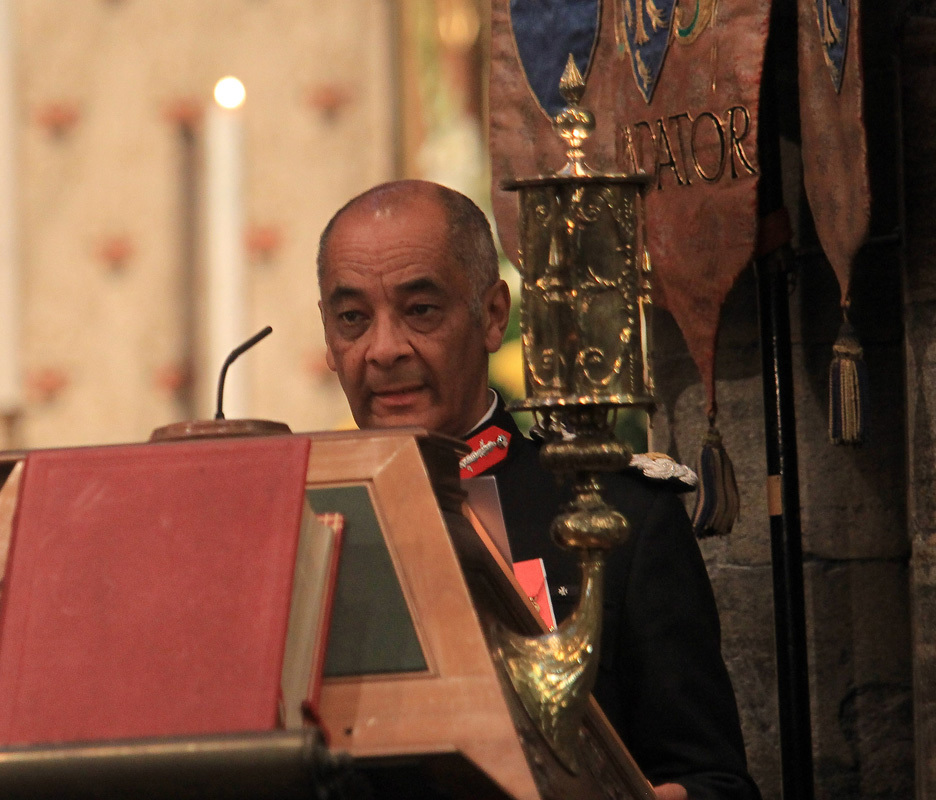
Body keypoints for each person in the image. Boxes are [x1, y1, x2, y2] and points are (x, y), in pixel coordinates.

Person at [316, 179, 760, 800]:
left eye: (421, 310)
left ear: (493, 315)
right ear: (330, 340)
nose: (384, 349)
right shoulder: (303, 534)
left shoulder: (618, 512)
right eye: (353, 319)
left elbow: (715, 782)